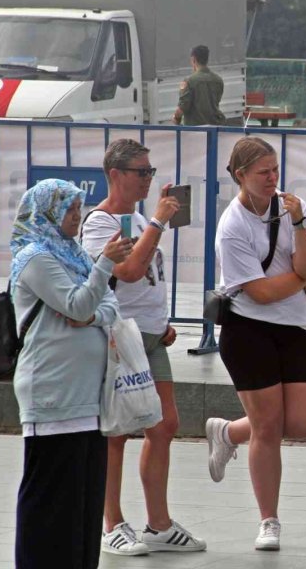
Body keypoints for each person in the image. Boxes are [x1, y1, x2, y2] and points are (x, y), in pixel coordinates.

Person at [81, 139, 206, 555]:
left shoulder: (137, 217)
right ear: (116, 174)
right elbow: (130, 272)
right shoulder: (100, 223)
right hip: (120, 337)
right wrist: (157, 222)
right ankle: (112, 523)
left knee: (163, 424)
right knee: (116, 430)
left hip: (150, 336)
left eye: (150, 172)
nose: (148, 180)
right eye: (141, 172)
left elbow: (150, 277)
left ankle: (159, 524)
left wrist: (162, 322)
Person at [205, 136, 306, 551]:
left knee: (305, 422)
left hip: (295, 326)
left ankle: (229, 433)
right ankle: (268, 520)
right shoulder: (232, 224)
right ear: (240, 176)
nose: (273, 178)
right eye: (263, 172)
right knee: (269, 426)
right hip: (247, 328)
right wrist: (302, 279)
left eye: (275, 169)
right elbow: (260, 293)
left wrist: (300, 227)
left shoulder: (294, 207)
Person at [10, 179, 132, 568]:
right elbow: (78, 305)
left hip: (89, 400)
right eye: (69, 209)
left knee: (84, 499)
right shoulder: (35, 258)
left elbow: (107, 305)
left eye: (79, 208)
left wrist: (94, 310)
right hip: (53, 395)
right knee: (51, 498)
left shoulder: (74, 253)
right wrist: (104, 267)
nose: (77, 217)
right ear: (47, 211)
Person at [173, 44, 226, 126]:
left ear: (193, 59)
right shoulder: (218, 80)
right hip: (214, 128)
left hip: (195, 130)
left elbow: (182, 109)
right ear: (207, 59)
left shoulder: (189, 81)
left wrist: (176, 119)